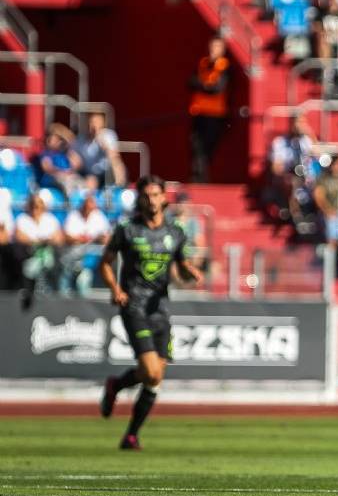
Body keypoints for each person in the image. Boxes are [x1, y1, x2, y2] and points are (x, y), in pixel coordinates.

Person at [99, 175, 204, 450]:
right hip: (134, 305)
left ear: (164, 198)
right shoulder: (127, 230)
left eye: (156, 195)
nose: (152, 200)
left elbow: (180, 267)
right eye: (146, 196)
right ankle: (121, 400)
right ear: (140, 200)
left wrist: (189, 271)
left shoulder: (176, 232)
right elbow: (106, 264)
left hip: (160, 308)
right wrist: (114, 288)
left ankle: (130, 430)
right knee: (150, 371)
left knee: (155, 377)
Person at [188, 37, 232, 183]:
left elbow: (217, 89)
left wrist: (202, 85)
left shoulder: (224, 65)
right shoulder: (203, 62)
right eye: (212, 46)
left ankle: (203, 179)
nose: (213, 50)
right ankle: (198, 179)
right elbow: (190, 82)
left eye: (217, 47)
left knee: (208, 148)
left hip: (215, 115)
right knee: (196, 146)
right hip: (199, 112)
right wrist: (204, 85)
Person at [75, 112, 126, 189]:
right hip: (89, 173)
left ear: (103, 123)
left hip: (106, 171)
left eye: (97, 121)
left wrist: (102, 143)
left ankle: (120, 186)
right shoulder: (83, 139)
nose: (94, 125)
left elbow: (114, 154)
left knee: (116, 163)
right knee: (89, 180)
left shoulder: (108, 135)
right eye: (91, 121)